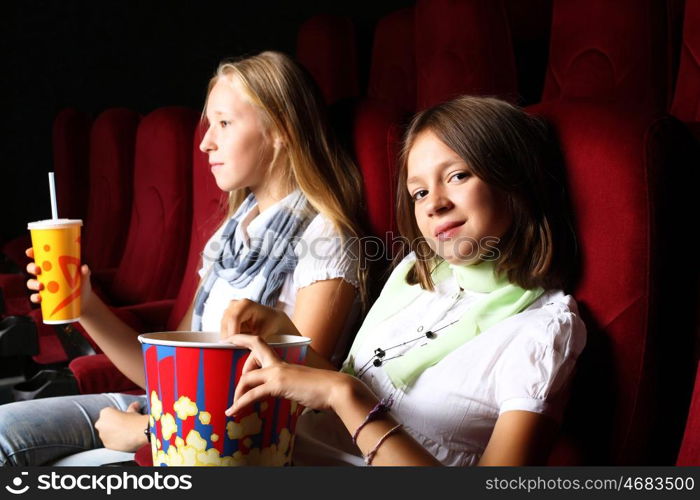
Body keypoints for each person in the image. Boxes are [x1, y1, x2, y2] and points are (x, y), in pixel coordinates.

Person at [0, 51, 367, 466]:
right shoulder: (229, 234)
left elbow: (291, 402)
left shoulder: (328, 240)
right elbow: (164, 373)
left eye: (224, 124)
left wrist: (146, 430)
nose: (206, 142)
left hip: (235, 443)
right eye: (209, 125)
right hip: (174, 415)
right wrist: (85, 305)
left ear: (280, 130)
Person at [217, 95, 587, 466]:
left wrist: (343, 394)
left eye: (457, 175)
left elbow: (349, 400)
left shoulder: (543, 330)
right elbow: (357, 402)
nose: (434, 204)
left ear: (514, 180)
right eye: (420, 192)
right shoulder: (412, 274)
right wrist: (286, 336)